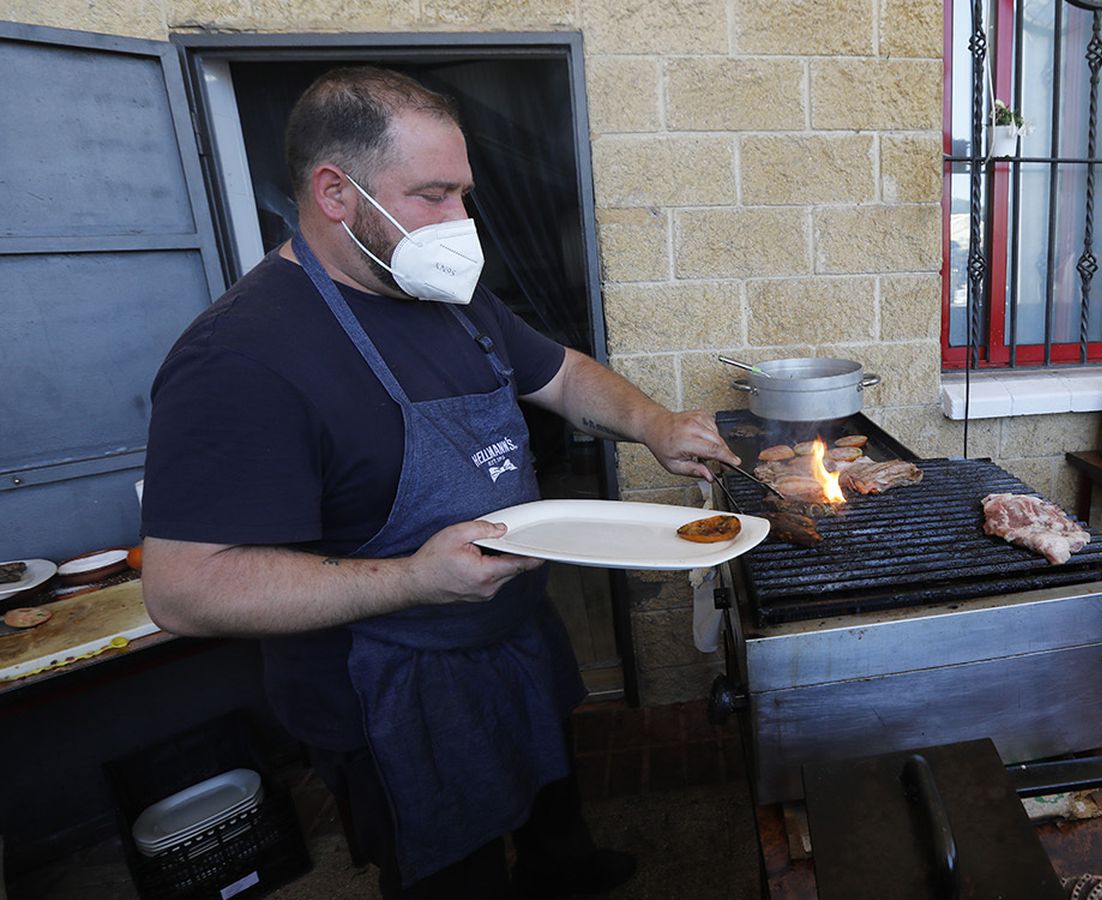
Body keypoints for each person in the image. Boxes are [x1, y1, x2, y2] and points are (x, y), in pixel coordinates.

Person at [139, 67, 740, 898]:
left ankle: (564, 872)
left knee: (550, 801)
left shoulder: (447, 298)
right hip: (391, 691)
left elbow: (561, 375)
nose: (459, 222)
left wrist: (655, 424)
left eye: (464, 194)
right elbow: (185, 589)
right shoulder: (239, 358)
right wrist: (416, 578)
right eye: (433, 195)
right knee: (454, 874)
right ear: (336, 192)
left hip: (514, 633)